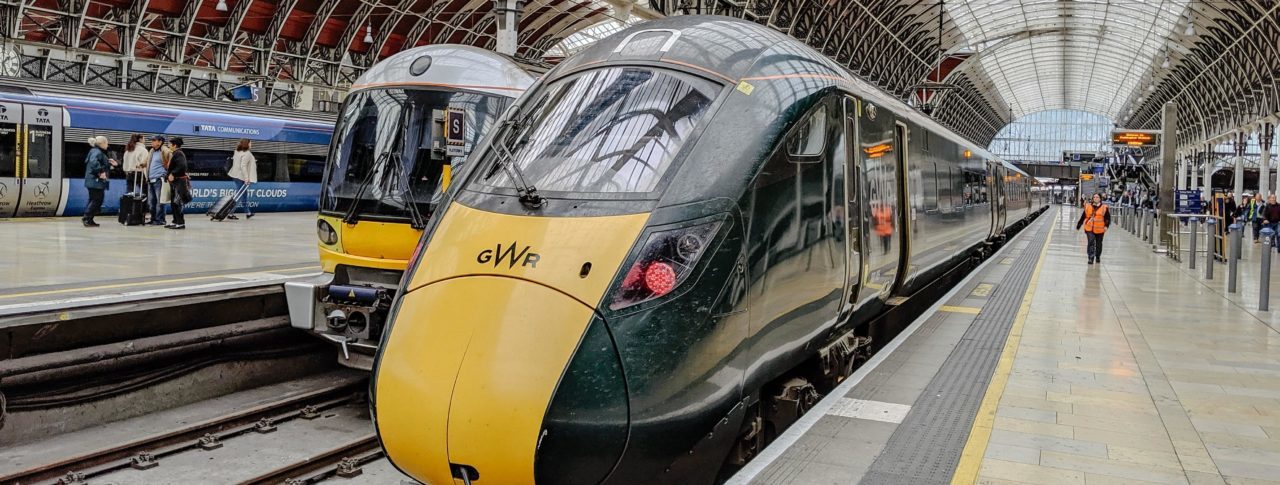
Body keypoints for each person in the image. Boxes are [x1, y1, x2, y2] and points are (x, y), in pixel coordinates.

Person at [82, 136, 118, 227]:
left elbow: (96, 162)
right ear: (102, 144)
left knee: (93, 199)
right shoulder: (97, 152)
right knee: (97, 200)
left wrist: (110, 163)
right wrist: (101, 172)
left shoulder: (95, 151)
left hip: (93, 181)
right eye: (106, 143)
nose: (108, 145)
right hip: (95, 181)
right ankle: (87, 218)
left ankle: (89, 219)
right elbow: (94, 162)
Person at [1076, 193, 1110, 264]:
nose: (1095, 198)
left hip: (1100, 229)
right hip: (1089, 228)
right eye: (1094, 197)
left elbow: (1107, 218)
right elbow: (1083, 216)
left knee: (1099, 244)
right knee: (1091, 242)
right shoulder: (1088, 206)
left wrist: (1106, 226)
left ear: (1100, 198)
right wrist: (1079, 224)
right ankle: (1090, 258)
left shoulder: (1104, 207)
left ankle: (1097, 256)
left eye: (1097, 197)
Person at [228, 138, 258, 220]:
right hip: (242, 178)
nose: (251, 144)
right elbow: (243, 166)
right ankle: (230, 213)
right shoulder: (247, 153)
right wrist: (246, 178)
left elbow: (238, 164)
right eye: (250, 143)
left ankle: (248, 213)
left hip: (235, 176)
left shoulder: (237, 151)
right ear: (246, 144)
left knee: (244, 196)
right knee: (238, 196)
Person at [147, 135, 172, 226]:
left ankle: (160, 220)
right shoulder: (152, 151)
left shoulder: (166, 151)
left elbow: (172, 162)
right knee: (151, 202)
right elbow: (148, 162)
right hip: (150, 179)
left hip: (159, 180)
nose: (152, 142)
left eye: (154, 140)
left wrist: (166, 174)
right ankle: (153, 218)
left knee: (160, 201)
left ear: (160, 142)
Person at [166, 137, 190, 230]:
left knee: (177, 203)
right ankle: (175, 221)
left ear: (174, 145)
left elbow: (182, 166)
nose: (168, 145)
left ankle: (180, 223)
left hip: (179, 182)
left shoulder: (178, 153)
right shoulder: (176, 153)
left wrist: (173, 173)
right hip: (176, 182)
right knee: (173, 202)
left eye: (169, 144)